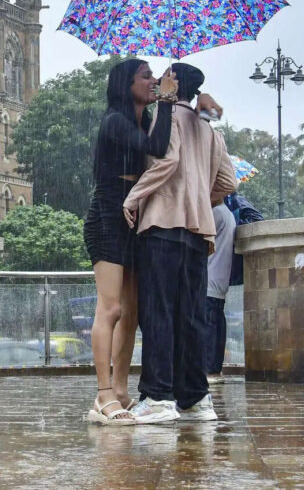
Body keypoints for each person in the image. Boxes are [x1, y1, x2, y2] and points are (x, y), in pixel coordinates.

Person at [123, 63, 236, 424]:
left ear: (175, 83)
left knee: (158, 313)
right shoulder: (209, 130)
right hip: (199, 232)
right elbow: (228, 182)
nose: (157, 80)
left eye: (164, 75)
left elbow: (165, 162)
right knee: (191, 316)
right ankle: (195, 398)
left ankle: (157, 396)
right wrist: (201, 198)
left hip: (163, 224)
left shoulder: (164, 116)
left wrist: (134, 196)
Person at [83, 59, 177, 425]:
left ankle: (121, 390)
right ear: (127, 84)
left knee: (132, 313)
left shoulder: (144, 120)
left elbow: (161, 148)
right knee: (111, 309)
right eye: (146, 76)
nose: (154, 81)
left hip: (134, 216)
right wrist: (167, 101)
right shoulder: (115, 121)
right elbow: (157, 146)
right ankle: (103, 395)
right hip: (108, 216)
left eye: (155, 76)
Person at [204, 202, 237, 383]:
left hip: (210, 276)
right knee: (216, 323)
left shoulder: (216, 213)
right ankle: (214, 369)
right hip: (220, 278)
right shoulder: (228, 214)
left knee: (209, 324)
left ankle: (210, 370)